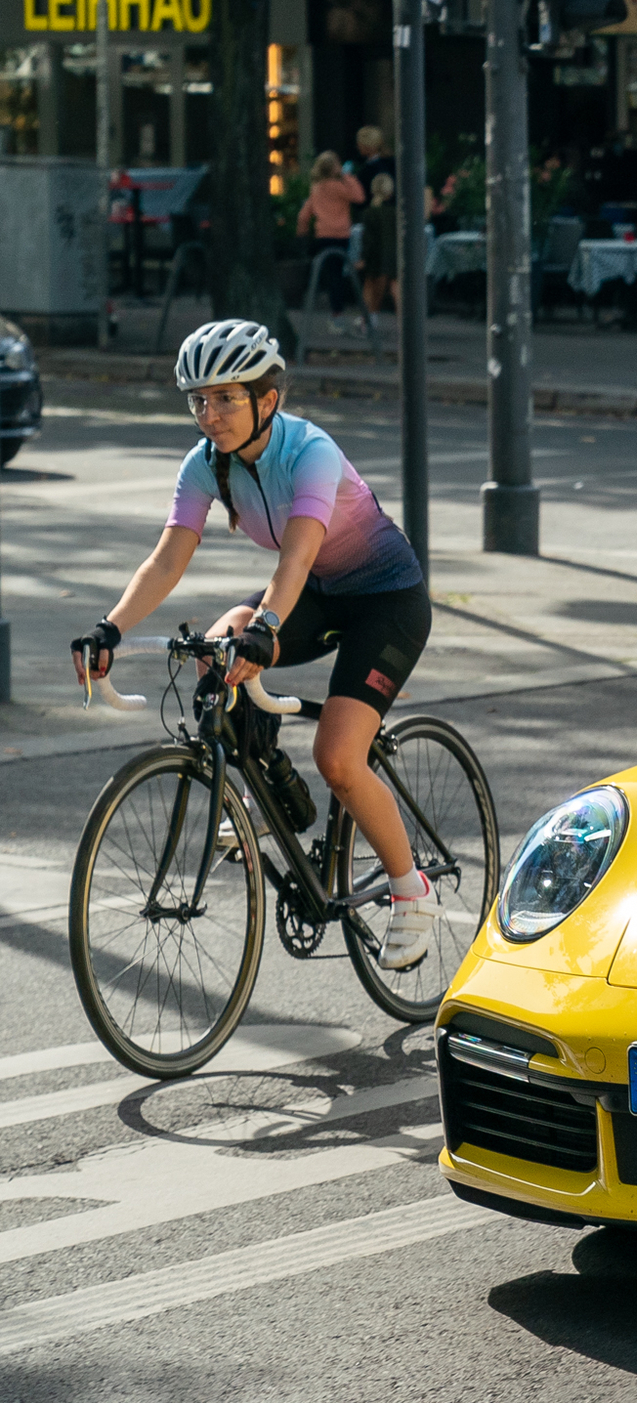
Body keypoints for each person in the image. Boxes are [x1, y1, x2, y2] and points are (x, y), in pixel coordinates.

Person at [69, 320, 440, 967]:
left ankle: (413, 889)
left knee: (340, 758)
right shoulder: (206, 463)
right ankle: (268, 794)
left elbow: (295, 560)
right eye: (199, 400)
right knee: (217, 651)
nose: (209, 415)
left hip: (386, 602)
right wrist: (111, 627)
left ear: (268, 399)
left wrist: (266, 630)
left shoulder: (311, 453)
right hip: (319, 593)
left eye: (226, 398)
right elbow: (166, 560)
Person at [296, 151, 368, 333]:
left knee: (331, 273)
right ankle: (341, 313)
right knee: (342, 273)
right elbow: (359, 197)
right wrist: (347, 176)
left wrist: (302, 233)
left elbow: (304, 215)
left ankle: (336, 315)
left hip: (323, 235)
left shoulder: (317, 188)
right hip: (342, 234)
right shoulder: (339, 187)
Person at [357, 171, 400, 319]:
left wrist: (363, 257)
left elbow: (368, 239)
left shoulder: (370, 213)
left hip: (376, 253)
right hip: (394, 252)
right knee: (396, 285)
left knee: (370, 286)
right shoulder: (397, 212)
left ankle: (368, 320)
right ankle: (405, 322)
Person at [352, 125, 392, 201]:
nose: (358, 146)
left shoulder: (368, 169)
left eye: (360, 143)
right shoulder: (391, 163)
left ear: (367, 145)